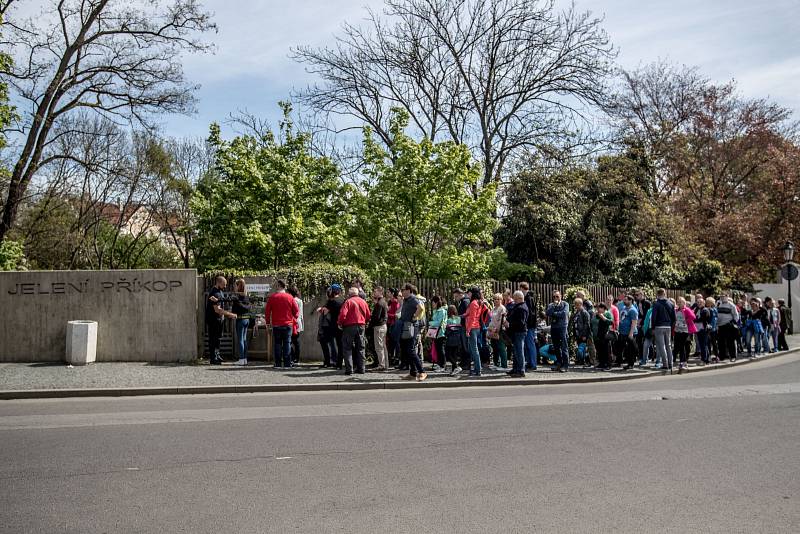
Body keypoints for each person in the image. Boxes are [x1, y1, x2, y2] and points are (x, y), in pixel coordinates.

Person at [264, 280, 300, 369]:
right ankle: (287, 364)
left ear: (279, 286)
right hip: (288, 325)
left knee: (277, 344)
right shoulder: (290, 297)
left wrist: (268, 323)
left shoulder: (273, 297)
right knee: (287, 344)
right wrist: (293, 317)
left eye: (277, 285)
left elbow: (267, 311)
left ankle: (278, 363)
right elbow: (296, 311)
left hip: (276, 324)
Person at [338, 287, 372, 375]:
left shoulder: (348, 302)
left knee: (347, 347)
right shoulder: (363, 302)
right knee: (361, 347)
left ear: (349, 294)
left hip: (349, 326)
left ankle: (349, 369)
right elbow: (368, 315)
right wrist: (365, 322)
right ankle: (361, 368)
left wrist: (340, 323)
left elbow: (343, 315)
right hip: (361, 326)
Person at [206, 276, 237, 365]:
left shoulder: (220, 292)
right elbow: (217, 310)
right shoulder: (214, 293)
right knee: (213, 339)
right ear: (218, 283)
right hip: (213, 319)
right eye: (224, 284)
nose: (225, 286)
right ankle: (213, 358)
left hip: (219, 319)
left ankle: (217, 355)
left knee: (218, 338)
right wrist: (230, 315)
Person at [399, 284, 427, 381]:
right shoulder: (406, 300)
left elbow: (421, 308)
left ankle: (422, 371)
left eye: (403, 290)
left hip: (412, 327)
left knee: (411, 350)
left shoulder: (413, 298)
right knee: (407, 350)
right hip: (406, 326)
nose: (402, 292)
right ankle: (413, 373)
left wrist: (415, 316)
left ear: (409, 290)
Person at [650, 288, 676, 371]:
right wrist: (670, 325)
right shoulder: (671, 303)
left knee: (661, 346)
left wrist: (653, 327)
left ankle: (665, 364)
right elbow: (674, 318)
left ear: (658, 294)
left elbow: (654, 317)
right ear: (665, 294)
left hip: (659, 326)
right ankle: (670, 363)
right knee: (668, 345)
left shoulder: (656, 304)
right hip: (668, 326)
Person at [317, 285, 344, 368]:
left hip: (331, 326)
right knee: (340, 345)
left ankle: (329, 361)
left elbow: (325, 311)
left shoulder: (332, 302)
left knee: (327, 343)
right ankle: (338, 363)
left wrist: (322, 309)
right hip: (340, 325)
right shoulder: (342, 301)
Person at [506, 291, 529, 378]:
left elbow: (521, 322)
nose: (514, 300)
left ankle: (521, 370)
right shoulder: (519, 306)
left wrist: (509, 324)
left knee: (519, 351)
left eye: (515, 299)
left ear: (520, 298)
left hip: (519, 332)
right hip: (517, 331)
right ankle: (515, 369)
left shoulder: (522, 308)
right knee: (516, 351)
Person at [546, 290, 569, 372]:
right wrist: (554, 308)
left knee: (564, 346)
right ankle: (559, 363)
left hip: (562, 327)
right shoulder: (551, 305)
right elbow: (548, 313)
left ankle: (565, 366)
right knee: (556, 347)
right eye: (554, 297)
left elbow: (564, 313)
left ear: (561, 296)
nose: (555, 298)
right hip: (554, 327)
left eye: (557, 296)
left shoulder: (565, 304)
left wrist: (554, 313)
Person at [232, 279, 253, 366]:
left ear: (238, 286)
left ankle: (241, 359)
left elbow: (234, 309)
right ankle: (244, 359)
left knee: (240, 339)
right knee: (244, 339)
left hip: (240, 319)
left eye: (235, 286)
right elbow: (249, 307)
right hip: (247, 319)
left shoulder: (236, 297)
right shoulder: (246, 296)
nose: (234, 287)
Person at [617, 294, 639, 370]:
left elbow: (634, 322)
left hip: (629, 332)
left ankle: (631, 364)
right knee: (620, 348)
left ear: (630, 300)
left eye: (626, 300)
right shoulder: (624, 308)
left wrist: (631, 333)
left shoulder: (633, 310)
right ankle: (620, 361)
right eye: (624, 299)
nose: (624, 301)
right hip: (622, 332)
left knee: (631, 349)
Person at [369, 286, 389, 371]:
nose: (374, 293)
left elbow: (376, 317)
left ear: (380, 292)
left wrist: (370, 319)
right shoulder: (383, 302)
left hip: (379, 326)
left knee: (379, 346)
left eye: (375, 291)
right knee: (382, 346)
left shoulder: (380, 303)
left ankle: (382, 365)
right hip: (383, 326)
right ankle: (385, 364)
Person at [465, 287, 484, 376]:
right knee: (474, 349)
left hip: (472, 328)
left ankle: (478, 370)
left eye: (470, 292)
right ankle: (477, 369)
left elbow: (472, 318)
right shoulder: (479, 302)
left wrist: (468, 330)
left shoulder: (473, 303)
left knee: (474, 349)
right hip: (477, 328)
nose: (469, 294)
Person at [674, 297, 697, 371]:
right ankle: (680, 361)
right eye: (678, 302)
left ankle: (683, 362)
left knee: (682, 346)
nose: (679, 303)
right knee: (677, 346)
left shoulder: (686, 310)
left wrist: (686, 320)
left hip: (685, 330)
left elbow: (693, 317)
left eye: (681, 302)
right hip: (677, 330)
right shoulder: (676, 310)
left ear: (684, 303)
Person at [716, 293, 740, 361]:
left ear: (727, 296)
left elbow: (736, 316)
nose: (723, 297)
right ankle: (722, 356)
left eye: (724, 296)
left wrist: (732, 323)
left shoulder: (731, 305)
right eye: (721, 296)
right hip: (720, 326)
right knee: (721, 342)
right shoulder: (718, 303)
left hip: (728, 326)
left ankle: (733, 357)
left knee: (730, 342)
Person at [520, 282, 538, 371]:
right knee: (528, 344)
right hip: (530, 325)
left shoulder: (528, 298)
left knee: (530, 344)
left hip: (530, 325)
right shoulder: (529, 297)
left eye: (520, 289)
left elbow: (531, 313)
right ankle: (530, 363)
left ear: (523, 288)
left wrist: (527, 325)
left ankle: (533, 364)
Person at [488, 293, 508, 370]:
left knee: (501, 347)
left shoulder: (502, 308)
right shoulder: (493, 309)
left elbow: (502, 320)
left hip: (500, 330)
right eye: (495, 299)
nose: (496, 300)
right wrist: (490, 329)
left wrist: (496, 329)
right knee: (494, 347)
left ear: (501, 300)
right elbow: (491, 320)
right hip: (492, 330)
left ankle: (504, 365)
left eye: (498, 299)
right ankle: (496, 364)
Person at [591, 302, 614, 371]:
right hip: (598, 335)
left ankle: (608, 365)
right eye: (597, 308)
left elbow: (611, 322)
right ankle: (602, 363)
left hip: (605, 335)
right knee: (600, 350)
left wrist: (603, 317)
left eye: (599, 308)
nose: (598, 309)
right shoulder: (597, 314)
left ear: (603, 308)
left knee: (607, 351)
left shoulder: (607, 313)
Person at [570, 298, 591, 367]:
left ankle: (586, 361)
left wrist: (584, 335)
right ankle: (581, 361)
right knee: (580, 347)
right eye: (575, 305)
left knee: (582, 349)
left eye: (576, 305)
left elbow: (587, 325)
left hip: (583, 334)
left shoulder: (585, 313)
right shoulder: (576, 313)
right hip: (577, 334)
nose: (575, 306)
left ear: (580, 304)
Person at [428, 295, 448, 371]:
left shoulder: (442, 311)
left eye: (433, 302)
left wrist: (431, 323)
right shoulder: (436, 311)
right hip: (436, 332)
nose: (432, 304)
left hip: (441, 332)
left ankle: (443, 365)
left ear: (436, 302)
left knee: (441, 349)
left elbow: (439, 322)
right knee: (438, 349)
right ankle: (440, 364)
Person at [444, 306, 465, 376]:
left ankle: (456, 366)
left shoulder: (448, 320)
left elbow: (447, 331)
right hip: (458, 339)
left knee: (448, 354)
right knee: (454, 355)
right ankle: (454, 371)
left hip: (450, 339)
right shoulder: (459, 318)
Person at [634, 289, 652, 364]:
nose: (637, 296)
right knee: (639, 340)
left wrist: (642, 321)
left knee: (647, 341)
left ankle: (650, 356)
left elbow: (648, 314)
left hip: (645, 324)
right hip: (639, 323)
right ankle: (641, 356)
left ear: (642, 295)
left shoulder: (647, 303)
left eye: (638, 295)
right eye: (636, 295)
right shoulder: (636, 303)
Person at [288, 286, 304, 366]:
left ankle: (293, 357)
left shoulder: (292, 300)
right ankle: (297, 359)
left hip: (293, 322)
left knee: (290, 341)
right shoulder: (300, 300)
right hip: (299, 322)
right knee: (296, 342)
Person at [693, 295, 711, 365]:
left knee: (703, 345)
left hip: (703, 329)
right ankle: (707, 360)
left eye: (700, 302)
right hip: (697, 329)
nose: (699, 303)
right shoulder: (696, 309)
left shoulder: (705, 310)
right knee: (702, 345)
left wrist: (695, 319)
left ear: (704, 303)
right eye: (698, 302)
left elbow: (702, 319)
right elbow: (693, 316)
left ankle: (704, 360)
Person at [386, 288, 401, 365]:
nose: (387, 293)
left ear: (392, 293)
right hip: (389, 323)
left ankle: (397, 358)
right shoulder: (389, 302)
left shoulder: (395, 302)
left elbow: (396, 315)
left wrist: (387, 314)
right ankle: (391, 358)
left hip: (394, 324)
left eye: (388, 292)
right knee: (390, 342)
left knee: (395, 342)